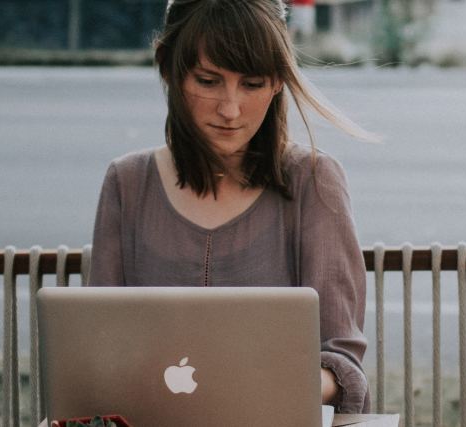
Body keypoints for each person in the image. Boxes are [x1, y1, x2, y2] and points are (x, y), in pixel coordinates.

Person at [87, 0, 379, 414]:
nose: (230, 109)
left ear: (278, 82)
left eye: (253, 84)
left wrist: (275, 387)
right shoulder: (127, 182)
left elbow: (341, 361)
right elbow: (99, 346)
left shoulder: (314, 179)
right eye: (208, 81)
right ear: (168, 68)